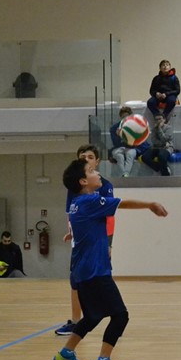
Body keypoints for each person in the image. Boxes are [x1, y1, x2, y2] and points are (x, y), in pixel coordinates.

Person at [51, 158, 168, 360]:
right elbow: (122, 203)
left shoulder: (77, 203)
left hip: (82, 271)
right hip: (95, 272)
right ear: (83, 181)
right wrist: (149, 204)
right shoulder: (90, 201)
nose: (97, 173)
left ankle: (66, 354)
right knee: (120, 316)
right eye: (91, 171)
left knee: (92, 317)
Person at [55, 144, 115, 336]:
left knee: (102, 279)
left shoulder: (104, 185)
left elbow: (110, 217)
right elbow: (72, 212)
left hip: (98, 242)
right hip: (80, 243)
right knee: (75, 280)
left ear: (97, 161)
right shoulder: (75, 187)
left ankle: (115, 318)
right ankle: (75, 321)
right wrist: (72, 232)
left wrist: (109, 243)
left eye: (90, 157)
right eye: (83, 157)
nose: (86, 159)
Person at [109, 106, 138, 177]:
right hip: (118, 148)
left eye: (127, 116)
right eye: (123, 117)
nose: (125, 118)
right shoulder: (114, 128)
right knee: (119, 156)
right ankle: (124, 174)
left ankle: (125, 174)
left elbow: (134, 142)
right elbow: (115, 143)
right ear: (120, 117)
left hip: (131, 148)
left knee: (130, 155)